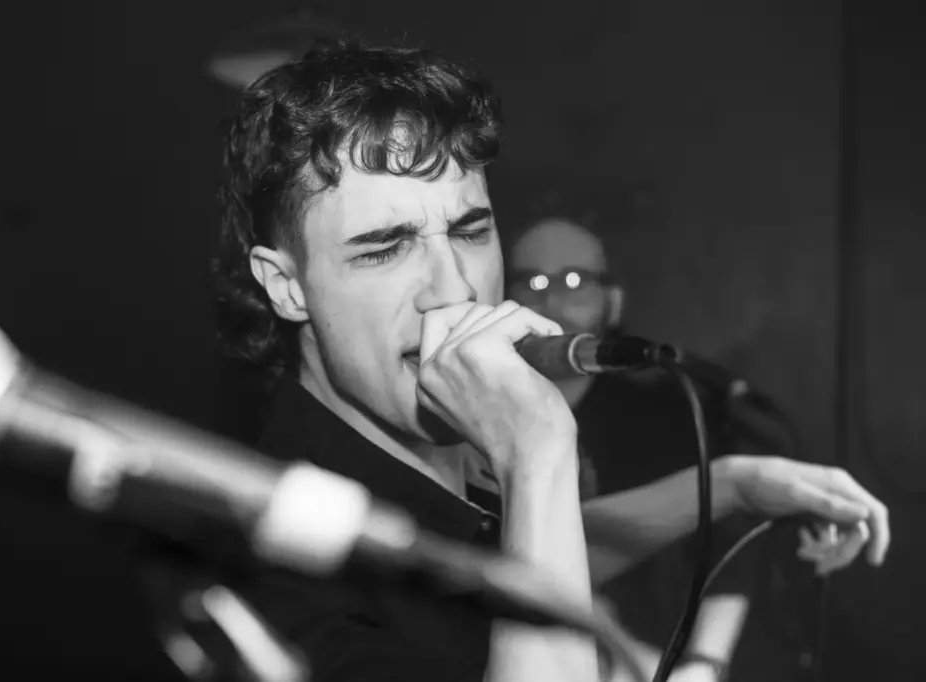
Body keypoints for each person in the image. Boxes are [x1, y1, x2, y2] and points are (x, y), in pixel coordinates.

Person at [208, 38, 889, 682]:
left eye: (471, 231)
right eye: (384, 248)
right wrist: (537, 450)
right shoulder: (272, 573)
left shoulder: (411, 461)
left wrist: (734, 484)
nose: (456, 289)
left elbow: (515, 562)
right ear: (286, 285)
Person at [492, 215, 755, 681]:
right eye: (531, 282)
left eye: (575, 281)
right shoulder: (480, 410)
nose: (551, 299)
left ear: (612, 303)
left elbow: (730, 549)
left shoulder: (667, 413)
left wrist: (703, 664)